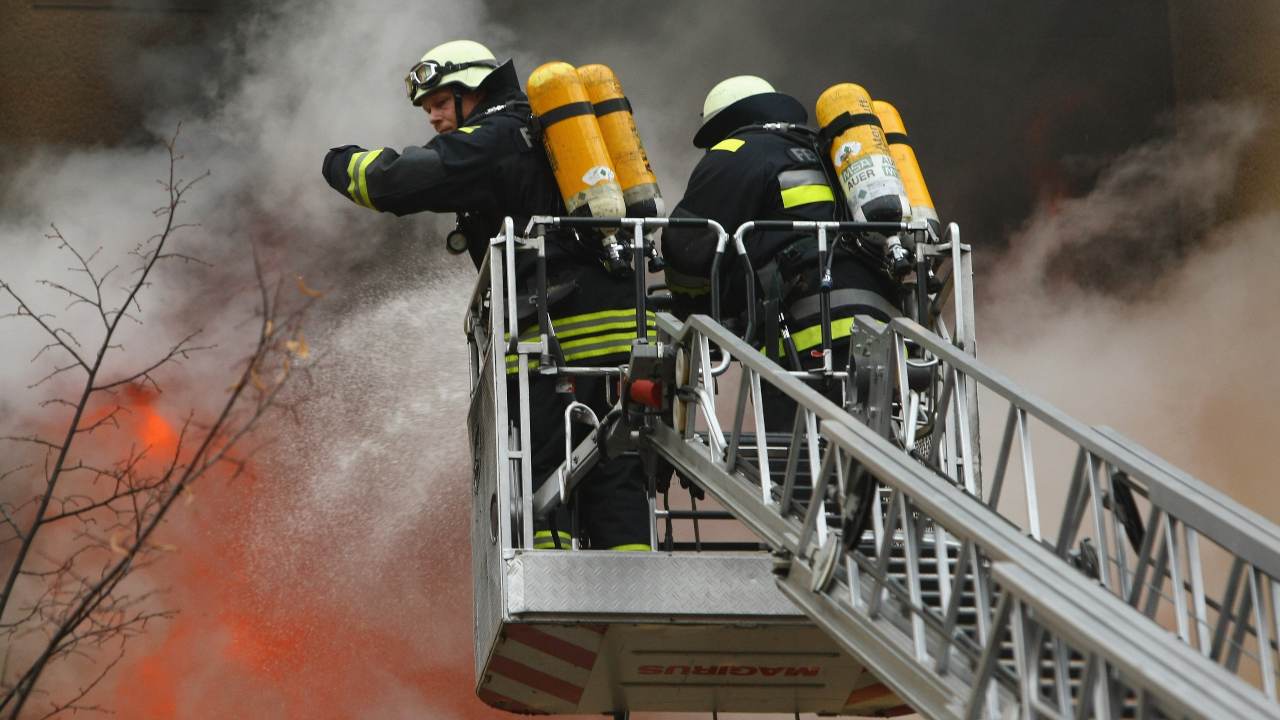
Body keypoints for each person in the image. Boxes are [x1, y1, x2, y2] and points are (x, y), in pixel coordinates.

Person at [321, 40, 651, 551]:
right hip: (623, 330)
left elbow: (395, 184)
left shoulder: (494, 136)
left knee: (546, 474)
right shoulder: (539, 131)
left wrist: (339, 162)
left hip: (557, 335)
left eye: (437, 102)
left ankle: (555, 587)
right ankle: (636, 588)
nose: (431, 117)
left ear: (471, 90)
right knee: (616, 473)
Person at [662, 75, 902, 426]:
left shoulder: (735, 151)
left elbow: (689, 248)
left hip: (807, 333)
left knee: (802, 462)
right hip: (880, 323)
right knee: (873, 458)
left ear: (725, 123)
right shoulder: (828, 153)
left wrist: (694, 312)